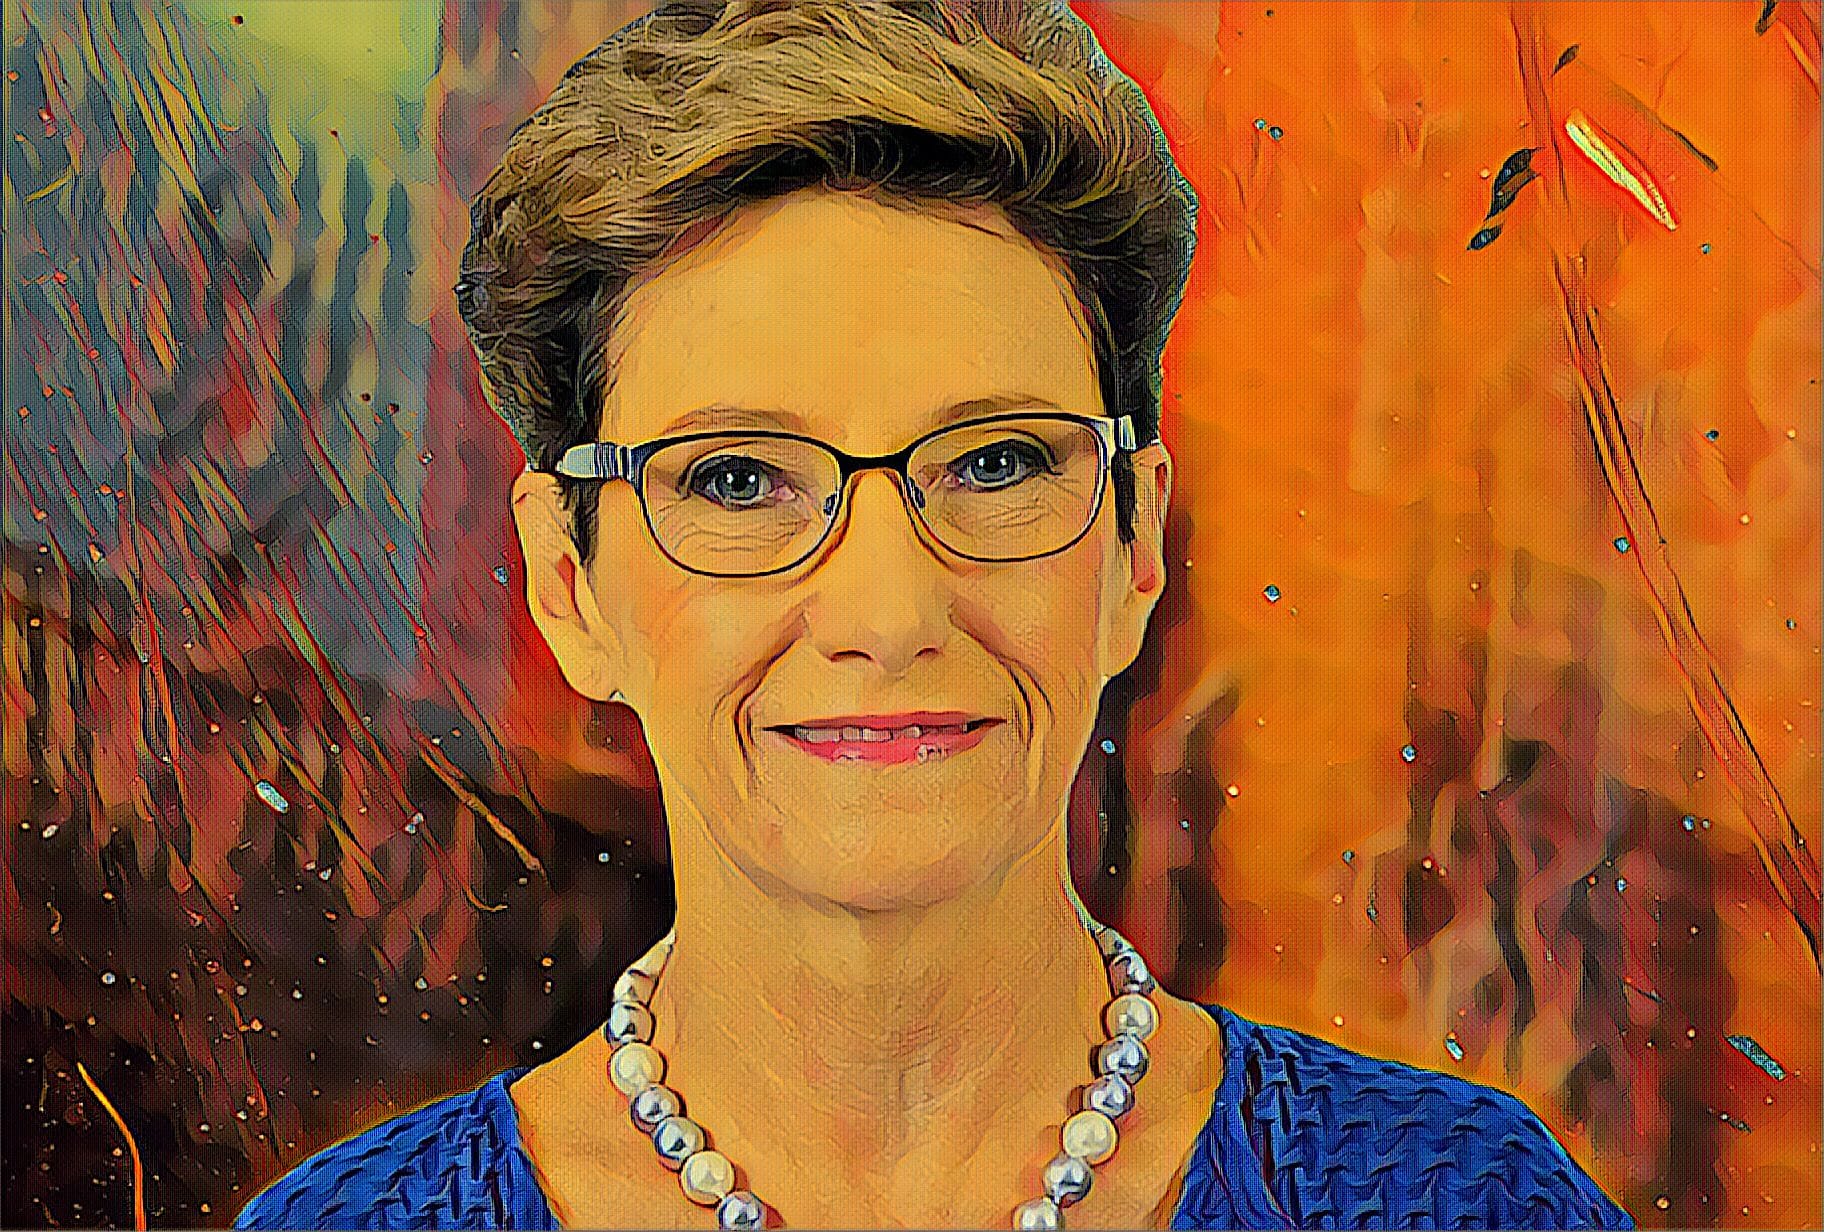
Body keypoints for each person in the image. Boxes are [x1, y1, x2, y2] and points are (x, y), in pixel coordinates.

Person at [236, 2, 1636, 1228]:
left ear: (1135, 547)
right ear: (568, 587)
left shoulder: (1470, 1203)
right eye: (737, 479)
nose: (889, 610)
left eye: (999, 463)